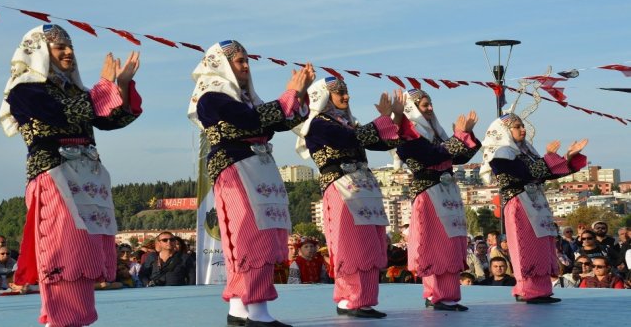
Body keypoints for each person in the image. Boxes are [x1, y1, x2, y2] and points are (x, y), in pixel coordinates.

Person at [0, 24, 142, 326]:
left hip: (87, 180)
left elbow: (111, 119)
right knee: (64, 254)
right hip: (55, 177)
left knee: (84, 256)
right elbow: (60, 112)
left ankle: (74, 321)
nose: (68, 52)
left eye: (70, 46)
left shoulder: (74, 91)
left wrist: (123, 85)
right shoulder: (24, 89)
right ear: (38, 51)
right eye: (59, 47)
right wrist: (105, 87)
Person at [188, 40, 314, 327]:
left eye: (247, 61)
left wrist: (300, 94)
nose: (246, 66)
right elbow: (249, 120)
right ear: (221, 64)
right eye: (240, 61)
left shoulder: (248, 100)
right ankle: (257, 312)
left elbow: (278, 121)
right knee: (250, 237)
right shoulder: (211, 96)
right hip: (236, 168)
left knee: (260, 236)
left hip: (258, 168)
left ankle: (238, 310)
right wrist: (290, 93)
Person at [295, 77, 408, 319]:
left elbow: (383, 141)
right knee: (351, 245)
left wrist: (395, 117)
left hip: (363, 188)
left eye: (346, 92)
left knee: (369, 244)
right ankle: (348, 300)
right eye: (340, 93)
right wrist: (383, 119)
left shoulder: (347, 124)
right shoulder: (318, 123)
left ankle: (364, 300)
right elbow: (349, 139)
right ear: (325, 97)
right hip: (342, 188)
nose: (346, 97)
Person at [480, 113, 587, 304]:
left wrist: (567, 157)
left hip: (535, 202)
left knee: (542, 247)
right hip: (519, 204)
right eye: (518, 126)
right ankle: (526, 290)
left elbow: (544, 173)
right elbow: (524, 173)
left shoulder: (526, 151)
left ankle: (542, 290)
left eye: (523, 126)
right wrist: (550, 158)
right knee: (525, 247)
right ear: (505, 131)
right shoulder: (500, 154)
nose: (523, 129)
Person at [395, 89, 481, 312]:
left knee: (451, 245)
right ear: (413, 109)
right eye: (425, 105)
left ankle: (449, 296)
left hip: (447, 193)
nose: (430, 108)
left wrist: (467, 134)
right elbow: (432, 155)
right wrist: (459, 136)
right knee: (434, 246)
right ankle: (435, 295)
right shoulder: (408, 136)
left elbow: (459, 156)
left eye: (431, 104)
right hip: (428, 193)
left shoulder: (438, 133)